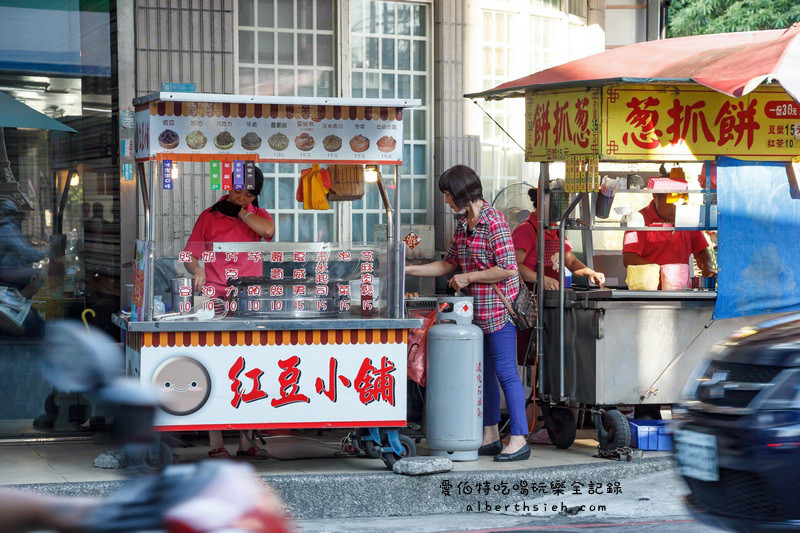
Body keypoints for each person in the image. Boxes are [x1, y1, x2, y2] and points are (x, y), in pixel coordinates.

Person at [406, 165, 530, 462]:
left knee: (506, 374)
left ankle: (519, 438)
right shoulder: (464, 225)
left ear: (461, 193)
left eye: (448, 195)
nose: (446, 201)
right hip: (474, 316)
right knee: (483, 375)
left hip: (499, 312)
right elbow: (449, 264)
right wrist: (408, 268)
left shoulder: (494, 221)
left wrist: (469, 277)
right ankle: (489, 434)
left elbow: (507, 268)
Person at [184, 167, 275, 459]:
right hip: (217, 298)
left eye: (248, 194)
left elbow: (268, 232)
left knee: (251, 366)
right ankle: (216, 440)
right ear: (229, 186)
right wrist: (197, 269)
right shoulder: (209, 217)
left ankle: (247, 440)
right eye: (238, 191)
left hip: (252, 297)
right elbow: (188, 255)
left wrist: (241, 213)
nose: (241, 197)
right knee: (216, 364)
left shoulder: (258, 215)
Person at [622, 188, 715, 278]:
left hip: (681, 289)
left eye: (682, 202)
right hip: (649, 290)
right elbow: (629, 258)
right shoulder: (639, 220)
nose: (677, 207)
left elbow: (701, 251)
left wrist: (707, 268)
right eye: (671, 201)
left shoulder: (686, 218)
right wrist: (660, 272)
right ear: (655, 197)